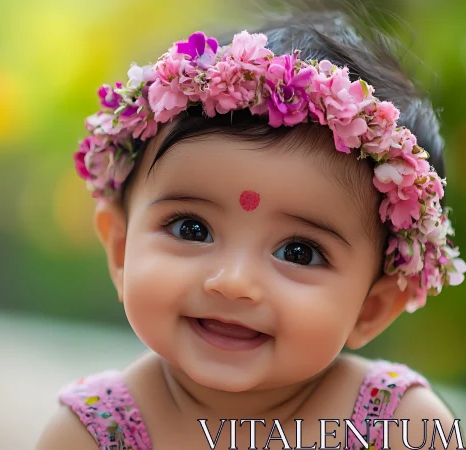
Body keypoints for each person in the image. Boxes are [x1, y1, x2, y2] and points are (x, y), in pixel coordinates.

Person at [36, 7, 466, 450]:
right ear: (121, 250)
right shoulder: (92, 434)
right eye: (191, 229)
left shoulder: (399, 427)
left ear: (370, 309)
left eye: (299, 252)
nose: (234, 283)